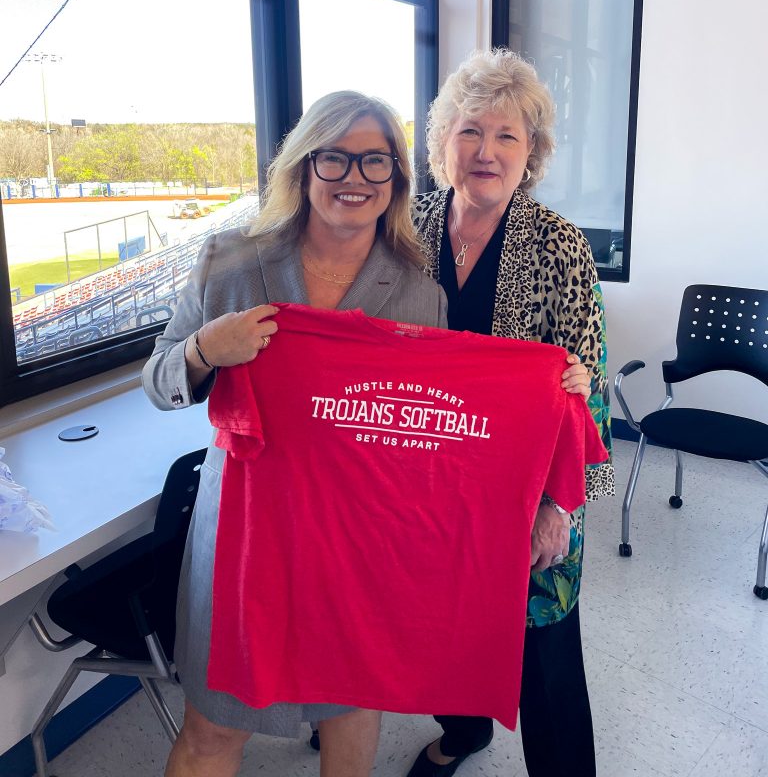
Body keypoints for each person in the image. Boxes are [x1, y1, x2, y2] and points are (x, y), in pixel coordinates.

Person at [142, 90, 446, 777]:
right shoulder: (227, 260)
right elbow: (157, 382)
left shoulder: (419, 294)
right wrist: (203, 351)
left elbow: (432, 427)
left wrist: (551, 391)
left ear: (396, 179)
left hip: (360, 537)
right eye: (334, 158)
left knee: (351, 710)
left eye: (375, 162)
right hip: (245, 538)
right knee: (214, 728)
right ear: (304, 168)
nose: (354, 178)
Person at [406, 48, 614, 777]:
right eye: (470, 131)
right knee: (449, 622)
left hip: (533, 485)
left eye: (506, 136)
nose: (486, 151)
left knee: (543, 641)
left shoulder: (558, 243)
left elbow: (585, 397)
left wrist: (560, 506)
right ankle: (463, 731)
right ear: (443, 145)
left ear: (530, 154)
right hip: (437, 483)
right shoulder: (410, 229)